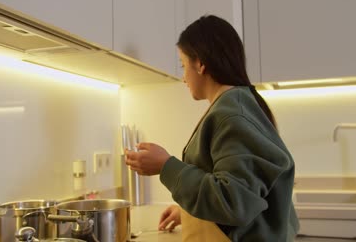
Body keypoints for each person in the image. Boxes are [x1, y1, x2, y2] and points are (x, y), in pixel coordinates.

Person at [125, 15, 299, 241]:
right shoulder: (235, 105)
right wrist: (187, 212)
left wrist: (166, 166)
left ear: (200, 63)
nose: (183, 77)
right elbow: (231, 187)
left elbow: (233, 202)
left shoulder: (232, 115)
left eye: (183, 65)